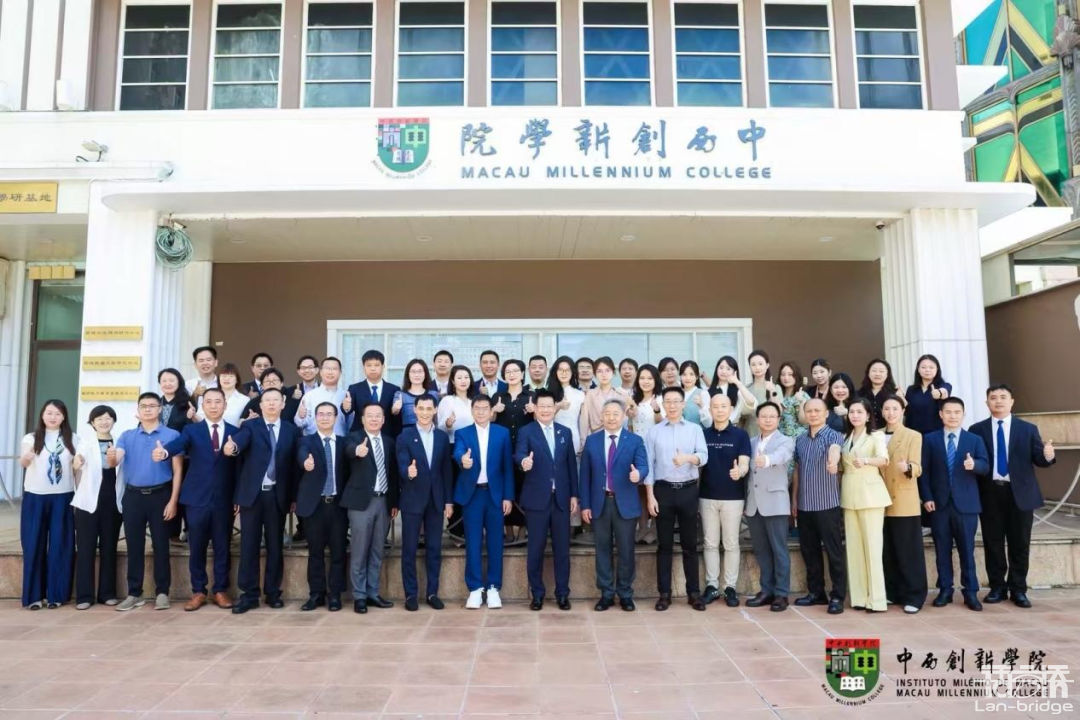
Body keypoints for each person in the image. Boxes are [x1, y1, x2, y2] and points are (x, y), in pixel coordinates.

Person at [970, 384, 1056, 608]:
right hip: (990, 493)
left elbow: (1039, 459)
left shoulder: (1028, 429)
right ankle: (997, 587)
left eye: (1003, 397)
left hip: (1021, 494)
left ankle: (1018, 589)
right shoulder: (976, 429)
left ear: (1012, 401)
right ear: (986, 402)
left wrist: (1047, 455)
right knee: (993, 542)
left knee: (1020, 543)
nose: (998, 401)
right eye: (993, 397)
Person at [153, 388, 238, 611]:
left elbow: (240, 469)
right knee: (196, 546)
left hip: (224, 499)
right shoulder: (192, 430)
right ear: (202, 405)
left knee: (222, 546)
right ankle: (198, 591)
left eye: (217, 402)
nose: (213, 406)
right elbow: (178, 444)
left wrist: (238, 497)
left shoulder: (235, 432)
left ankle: (220, 590)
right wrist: (164, 452)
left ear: (225, 405)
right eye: (208, 402)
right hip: (196, 498)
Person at [224, 387, 299, 613]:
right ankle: (249, 595)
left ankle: (273, 593)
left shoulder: (291, 430)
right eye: (267, 400)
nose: (272, 403)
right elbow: (240, 442)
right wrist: (232, 446)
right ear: (260, 404)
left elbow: (294, 467)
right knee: (249, 545)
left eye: (276, 400)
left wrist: (293, 496)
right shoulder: (250, 426)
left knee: (275, 546)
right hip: (253, 496)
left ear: (283, 404)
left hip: (277, 495)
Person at [919, 397, 989, 611]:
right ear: (941, 414)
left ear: (963, 415)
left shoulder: (974, 440)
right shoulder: (930, 439)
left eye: (957, 412)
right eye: (948, 412)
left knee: (967, 550)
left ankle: (971, 592)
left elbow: (985, 466)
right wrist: (927, 497)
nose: (952, 416)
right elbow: (924, 472)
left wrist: (974, 464)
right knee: (942, 550)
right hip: (939, 505)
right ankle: (945, 590)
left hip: (966, 505)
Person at [114, 393, 182, 611]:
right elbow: (115, 459)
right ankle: (135, 593)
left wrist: (173, 500)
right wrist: (110, 456)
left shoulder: (172, 435)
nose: (148, 409)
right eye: (143, 406)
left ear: (160, 409)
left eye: (152, 405)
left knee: (161, 545)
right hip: (133, 496)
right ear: (138, 410)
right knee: (134, 546)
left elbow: (178, 470)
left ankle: (162, 592)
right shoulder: (127, 436)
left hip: (161, 495)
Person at [580, 398, 648, 611]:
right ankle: (606, 594)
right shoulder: (592, 441)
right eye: (607, 414)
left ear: (623, 416)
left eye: (615, 414)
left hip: (625, 504)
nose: (611, 418)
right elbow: (585, 476)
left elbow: (643, 466)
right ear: (602, 416)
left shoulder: (634, 440)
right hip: (599, 503)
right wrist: (585, 505)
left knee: (626, 550)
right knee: (602, 549)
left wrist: (639, 474)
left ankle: (625, 593)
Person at [645, 386, 708, 611]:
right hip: (663, 491)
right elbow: (649, 466)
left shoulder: (694, 429)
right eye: (668, 402)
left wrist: (688, 458)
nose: (672, 405)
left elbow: (704, 456)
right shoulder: (654, 432)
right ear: (663, 405)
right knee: (664, 545)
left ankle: (694, 593)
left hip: (689, 490)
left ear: (683, 404)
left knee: (690, 544)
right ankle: (664, 594)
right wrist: (650, 497)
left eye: (676, 401)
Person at [514, 390, 579, 610]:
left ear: (555, 408)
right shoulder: (526, 431)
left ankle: (562, 594)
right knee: (536, 549)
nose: (545, 410)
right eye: (541, 406)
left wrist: (574, 494)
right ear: (535, 408)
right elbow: (519, 454)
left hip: (561, 499)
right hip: (536, 500)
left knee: (562, 549)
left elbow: (571, 466)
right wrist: (524, 462)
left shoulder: (564, 432)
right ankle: (537, 594)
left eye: (549, 406)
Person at [454, 395, 514, 609]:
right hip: (473, 496)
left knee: (496, 542)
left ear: (491, 411)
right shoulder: (462, 433)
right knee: (473, 542)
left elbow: (507, 467)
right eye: (477, 408)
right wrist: (463, 459)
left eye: (485, 408)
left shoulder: (502, 433)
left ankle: (494, 587)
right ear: (472, 411)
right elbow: (458, 451)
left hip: (495, 495)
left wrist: (508, 496)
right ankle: (475, 588)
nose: (481, 412)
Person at [395, 395, 454, 611]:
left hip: (436, 500)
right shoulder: (405, 436)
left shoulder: (441, 437)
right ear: (415, 410)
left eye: (429, 408)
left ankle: (432, 593)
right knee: (409, 549)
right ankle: (411, 594)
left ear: (435, 410)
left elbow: (446, 471)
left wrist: (448, 501)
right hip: (412, 499)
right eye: (421, 408)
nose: (425, 413)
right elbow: (401, 464)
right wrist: (408, 472)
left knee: (434, 548)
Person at [19, 400, 79, 610]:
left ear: (64, 417)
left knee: (61, 545)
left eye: (58, 414)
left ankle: (56, 594)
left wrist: (80, 496)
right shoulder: (31, 437)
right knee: (33, 544)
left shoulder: (73, 439)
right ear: (42, 415)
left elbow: (77, 469)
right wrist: (26, 458)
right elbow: (23, 462)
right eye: (49, 413)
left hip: (63, 497)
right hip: (35, 496)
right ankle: (33, 596)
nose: (53, 417)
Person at [341, 402, 399, 613]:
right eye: (370, 416)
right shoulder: (354, 438)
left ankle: (373, 592)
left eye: (378, 416)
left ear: (383, 419)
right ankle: (359, 596)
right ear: (363, 419)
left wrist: (394, 502)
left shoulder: (389, 442)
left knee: (377, 550)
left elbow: (393, 474)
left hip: (383, 502)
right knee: (359, 551)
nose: (374, 419)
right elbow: (348, 451)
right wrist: (358, 450)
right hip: (361, 503)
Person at [791, 399, 845, 614]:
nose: (813, 414)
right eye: (809, 411)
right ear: (804, 414)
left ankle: (838, 596)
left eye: (817, 410)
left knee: (834, 552)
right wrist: (794, 498)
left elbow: (835, 450)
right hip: (805, 505)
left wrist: (833, 462)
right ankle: (816, 593)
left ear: (826, 413)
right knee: (809, 551)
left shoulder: (834, 435)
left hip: (827, 504)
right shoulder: (800, 440)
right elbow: (797, 470)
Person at [698, 393, 751, 607]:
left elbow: (745, 463)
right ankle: (712, 586)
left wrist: (741, 472)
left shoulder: (740, 435)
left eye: (724, 406)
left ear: (730, 409)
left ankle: (730, 587)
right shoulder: (702, 434)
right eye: (715, 406)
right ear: (710, 409)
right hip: (707, 496)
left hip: (733, 498)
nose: (719, 410)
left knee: (731, 543)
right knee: (710, 543)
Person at [295, 402, 348, 612]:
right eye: (321, 414)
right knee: (315, 552)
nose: (325, 418)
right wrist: (305, 462)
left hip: (337, 506)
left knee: (338, 552)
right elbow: (302, 454)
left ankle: (335, 595)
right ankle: (316, 594)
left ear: (336, 418)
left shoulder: (343, 443)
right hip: (314, 506)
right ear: (315, 418)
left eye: (329, 414)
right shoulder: (306, 441)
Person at [840, 397, 892, 613]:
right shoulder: (845, 437)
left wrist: (866, 461)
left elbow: (884, 459)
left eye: (859, 412)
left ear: (868, 415)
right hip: (849, 495)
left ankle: (877, 600)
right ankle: (859, 598)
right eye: (852, 412)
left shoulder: (876, 435)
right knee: (854, 549)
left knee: (872, 548)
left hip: (871, 496)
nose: (855, 415)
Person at [744, 402, 795, 612]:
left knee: (779, 550)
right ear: (757, 420)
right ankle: (766, 590)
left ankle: (781, 594)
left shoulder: (786, 441)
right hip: (753, 504)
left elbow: (781, 456)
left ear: (778, 419)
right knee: (762, 550)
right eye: (763, 416)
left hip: (775, 503)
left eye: (772, 416)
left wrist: (766, 460)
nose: (767, 420)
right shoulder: (750, 442)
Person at [71, 405, 122, 609]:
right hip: (88, 502)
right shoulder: (84, 443)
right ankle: (84, 596)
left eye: (108, 418)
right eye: (99, 419)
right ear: (92, 422)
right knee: (86, 548)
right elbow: (78, 463)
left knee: (109, 547)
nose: (104, 422)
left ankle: (107, 594)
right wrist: (77, 463)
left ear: (113, 421)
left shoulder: (119, 442)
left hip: (112, 501)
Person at [880, 394, 927, 614]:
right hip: (880, 499)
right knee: (887, 549)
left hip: (903, 499)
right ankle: (893, 592)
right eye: (887, 409)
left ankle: (914, 595)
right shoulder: (876, 435)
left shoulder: (912, 435)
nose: (891, 413)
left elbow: (918, 467)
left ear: (903, 411)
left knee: (908, 550)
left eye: (895, 409)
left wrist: (908, 467)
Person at [492, 359, 535, 538]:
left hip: (526, 450)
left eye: (515, 371)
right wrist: (494, 410)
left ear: (522, 374)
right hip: (502, 449)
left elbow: (542, 420)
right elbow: (489, 420)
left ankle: (523, 529)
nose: (512, 374)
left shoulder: (531, 396)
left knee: (525, 488)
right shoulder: (498, 396)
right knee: (506, 487)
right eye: (508, 371)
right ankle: (508, 530)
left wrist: (534, 411)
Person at [437, 365, 475, 543]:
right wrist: (448, 423)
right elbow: (440, 427)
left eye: (466, 377)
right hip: (453, 448)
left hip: (473, 449)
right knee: (455, 488)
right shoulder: (447, 401)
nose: (463, 381)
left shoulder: (474, 400)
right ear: (452, 380)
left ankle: (470, 530)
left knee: (470, 489)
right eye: (459, 377)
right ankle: (456, 532)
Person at [628, 363, 662, 544]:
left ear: (655, 380)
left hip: (655, 449)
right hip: (637, 449)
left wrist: (657, 410)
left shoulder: (661, 399)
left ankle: (654, 530)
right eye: (642, 378)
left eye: (649, 378)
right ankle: (642, 529)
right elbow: (630, 426)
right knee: (640, 490)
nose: (646, 381)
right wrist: (630, 414)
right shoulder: (633, 399)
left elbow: (662, 422)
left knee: (655, 490)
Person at [345, 349, 401, 437]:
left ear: (383, 367)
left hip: (387, 437)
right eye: (369, 365)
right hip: (360, 436)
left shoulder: (393, 389)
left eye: (376, 365)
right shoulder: (354, 388)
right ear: (364, 367)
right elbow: (348, 410)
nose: (373, 368)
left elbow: (396, 417)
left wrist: (395, 411)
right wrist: (346, 407)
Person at [295, 356, 349, 436]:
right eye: (327, 368)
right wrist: (301, 417)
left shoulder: (346, 396)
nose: (330, 372)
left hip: (340, 441)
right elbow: (300, 424)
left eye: (334, 369)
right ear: (320, 372)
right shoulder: (309, 395)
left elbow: (351, 423)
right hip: (314, 441)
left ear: (340, 373)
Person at [578, 356, 627, 442]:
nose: (604, 375)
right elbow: (584, 421)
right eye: (599, 371)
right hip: (596, 439)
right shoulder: (590, 394)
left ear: (613, 373)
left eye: (607, 371)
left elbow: (625, 421)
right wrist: (584, 443)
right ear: (595, 374)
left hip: (617, 439)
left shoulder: (622, 395)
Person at [904, 354, 952, 435]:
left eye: (931, 367)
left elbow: (945, 392)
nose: (927, 370)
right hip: (913, 435)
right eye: (923, 367)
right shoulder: (911, 389)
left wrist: (939, 393)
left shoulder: (944, 386)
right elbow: (907, 413)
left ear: (937, 369)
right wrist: (901, 401)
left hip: (935, 435)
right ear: (918, 369)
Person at [548, 356, 586, 453]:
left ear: (573, 372)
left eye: (567, 370)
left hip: (573, 437)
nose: (564, 373)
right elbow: (541, 419)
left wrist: (583, 439)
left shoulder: (580, 394)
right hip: (550, 437)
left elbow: (583, 420)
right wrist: (558, 406)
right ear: (555, 372)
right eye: (560, 370)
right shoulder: (547, 394)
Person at [708, 356, 756, 431]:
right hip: (713, 429)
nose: (724, 371)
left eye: (728, 369)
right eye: (721, 368)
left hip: (733, 429)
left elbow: (751, 401)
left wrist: (737, 382)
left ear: (734, 372)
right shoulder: (708, 391)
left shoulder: (737, 391)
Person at [743, 350, 782, 438]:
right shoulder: (746, 389)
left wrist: (772, 391)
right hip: (749, 432)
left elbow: (779, 411)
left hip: (769, 433)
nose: (757, 367)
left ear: (767, 365)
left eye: (760, 364)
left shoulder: (775, 387)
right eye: (753, 365)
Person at [395, 358, 440, 429]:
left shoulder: (433, 394)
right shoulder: (400, 394)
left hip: (429, 431)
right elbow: (394, 412)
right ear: (408, 375)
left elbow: (436, 418)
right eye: (413, 372)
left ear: (425, 374)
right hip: (408, 432)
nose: (416, 375)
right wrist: (396, 408)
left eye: (420, 371)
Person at [859, 358, 903, 429]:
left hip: (888, 431)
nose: (877, 374)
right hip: (865, 432)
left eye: (881, 371)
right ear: (868, 373)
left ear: (887, 374)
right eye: (874, 371)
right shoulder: (860, 393)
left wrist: (903, 400)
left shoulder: (895, 393)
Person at [679, 360, 711, 427]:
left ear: (697, 377)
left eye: (691, 374)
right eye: (684, 374)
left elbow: (708, 424)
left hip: (698, 432)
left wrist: (702, 405)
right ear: (680, 376)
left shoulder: (703, 393)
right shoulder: (677, 394)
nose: (688, 378)